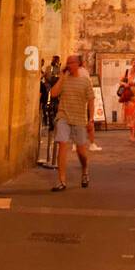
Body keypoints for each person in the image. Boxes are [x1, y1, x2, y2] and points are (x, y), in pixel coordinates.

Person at [48, 53, 94, 191]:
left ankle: (85, 170)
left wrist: (91, 119)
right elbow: (54, 94)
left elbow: (91, 100)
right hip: (63, 117)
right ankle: (62, 181)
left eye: (72, 62)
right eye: (68, 63)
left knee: (81, 152)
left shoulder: (85, 81)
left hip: (79, 119)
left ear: (78, 64)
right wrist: (61, 77)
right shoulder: (64, 79)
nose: (69, 65)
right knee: (62, 143)